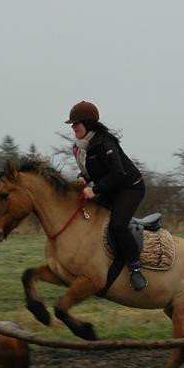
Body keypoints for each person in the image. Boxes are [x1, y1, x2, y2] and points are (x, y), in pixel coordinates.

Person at [65, 100, 148, 291]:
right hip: (112, 188)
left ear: (88, 124)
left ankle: (135, 269)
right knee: (86, 213)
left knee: (118, 224)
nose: (73, 127)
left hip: (130, 188)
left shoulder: (105, 143)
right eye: (72, 124)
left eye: (76, 123)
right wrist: (82, 178)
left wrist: (94, 190)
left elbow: (118, 173)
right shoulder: (82, 147)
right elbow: (92, 171)